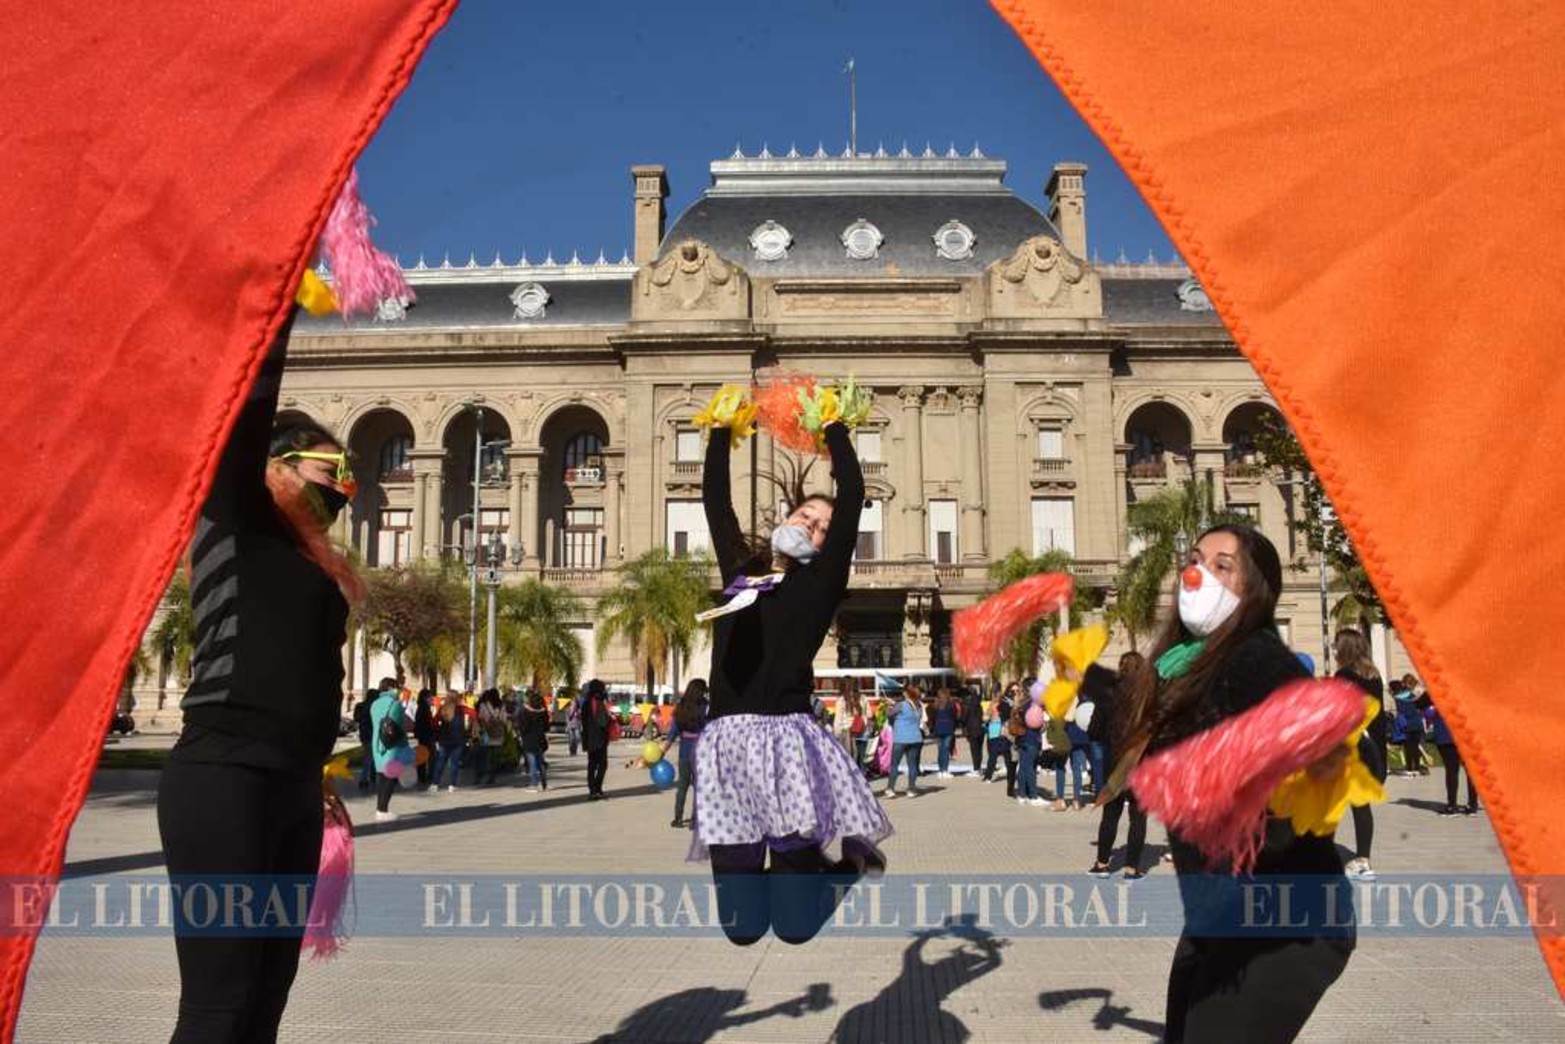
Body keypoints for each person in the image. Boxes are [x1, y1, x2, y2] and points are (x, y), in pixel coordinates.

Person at [155, 310, 365, 1042]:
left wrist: (320, 782)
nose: (346, 487)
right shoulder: (233, 516)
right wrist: (275, 312)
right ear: (277, 462)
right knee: (219, 1004)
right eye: (332, 469)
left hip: (291, 789)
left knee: (264, 1004)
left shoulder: (312, 563)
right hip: (222, 776)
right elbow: (247, 407)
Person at [1116, 525, 1354, 1042]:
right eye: (1196, 559)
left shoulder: (1256, 657)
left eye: (1223, 565)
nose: (1197, 573)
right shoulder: (1186, 667)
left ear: (1255, 591)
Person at [691, 405, 891, 948]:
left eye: (823, 527)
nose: (814, 525)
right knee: (743, 929)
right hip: (728, 751)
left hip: (786, 750)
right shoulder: (741, 569)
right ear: (786, 516)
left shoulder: (821, 583)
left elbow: (850, 496)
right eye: (806, 515)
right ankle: (777, 883)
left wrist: (834, 429)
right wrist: (719, 433)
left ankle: (848, 864)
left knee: (797, 928)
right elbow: (716, 503)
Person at [1089, 652, 1149, 880]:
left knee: (1110, 815)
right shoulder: (1149, 697)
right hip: (1141, 763)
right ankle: (1132, 868)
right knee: (1138, 817)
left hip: (1114, 763)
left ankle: (1102, 864)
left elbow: (1094, 730)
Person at [1333, 629, 1386, 880]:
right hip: (1372, 750)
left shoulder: (1343, 676)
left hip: (1349, 749)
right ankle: (1364, 859)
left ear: (1344, 649)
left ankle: (1317, 858)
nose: (1334, 650)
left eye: (1336, 646)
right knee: (1361, 806)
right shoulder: (1374, 676)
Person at [662, 678, 708, 827]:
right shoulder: (706, 707)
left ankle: (678, 818)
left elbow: (672, 734)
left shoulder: (680, 708)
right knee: (698, 787)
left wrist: (662, 752)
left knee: (682, 786)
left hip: (684, 752)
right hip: (701, 752)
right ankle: (695, 820)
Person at [368, 678, 411, 821]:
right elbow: (400, 728)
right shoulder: (395, 704)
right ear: (391, 688)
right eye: (398, 687)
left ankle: (380, 809)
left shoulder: (374, 704)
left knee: (381, 777)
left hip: (377, 744)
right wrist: (406, 746)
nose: (399, 690)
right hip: (392, 745)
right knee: (390, 778)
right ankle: (383, 810)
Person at [1429, 702, 1479, 815]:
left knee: (1451, 771)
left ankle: (1452, 806)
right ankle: (1472, 805)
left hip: (1446, 735)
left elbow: (1428, 712)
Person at [886, 686, 925, 798]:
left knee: (894, 764)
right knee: (912, 765)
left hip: (901, 739)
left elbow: (889, 714)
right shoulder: (918, 706)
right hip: (915, 738)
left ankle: (890, 788)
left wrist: (889, 706)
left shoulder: (902, 705)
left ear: (907, 694)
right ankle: (911, 789)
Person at [981, 685, 1018, 796]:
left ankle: (988, 776)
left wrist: (987, 718)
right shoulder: (1007, 705)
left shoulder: (992, 705)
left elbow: (985, 717)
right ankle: (1010, 775)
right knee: (1007, 755)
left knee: (993, 755)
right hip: (1005, 732)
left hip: (994, 731)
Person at [581, 678, 613, 800]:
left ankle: (592, 790)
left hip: (589, 738)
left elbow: (584, 720)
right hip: (599, 739)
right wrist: (610, 718)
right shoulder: (599, 703)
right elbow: (603, 722)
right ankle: (597, 789)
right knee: (602, 764)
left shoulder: (586, 703)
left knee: (592, 765)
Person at [432, 695, 468, 792]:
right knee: (454, 763)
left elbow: (434, 722)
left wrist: (439, 731)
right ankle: (452, 785)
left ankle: (435, 784)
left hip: (444, 740)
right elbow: (474, 714)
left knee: (440, 762)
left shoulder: (442, 709)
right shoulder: (461, 709)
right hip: (458, 740)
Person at [1015, 686, 1044, 807]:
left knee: (1023, 766)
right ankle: (1033, 795)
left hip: (1021, 738)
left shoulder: (1021, 704)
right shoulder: (1033, 705)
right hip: (1031, 739)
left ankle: (1022, 794)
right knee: (1030, 767)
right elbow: (1037, 723)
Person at [518, 690, 551, 792]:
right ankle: (543, 783)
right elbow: (547, 727)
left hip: (529, 739)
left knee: (532, 762)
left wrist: (521, 735)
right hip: (540, 738)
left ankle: (534, 784)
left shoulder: (525, 711)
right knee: (540, 761)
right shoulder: (543, 711)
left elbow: (523, 727)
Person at [1395, 678, 1428, 776]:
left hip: (1407, 724)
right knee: (1415, 746)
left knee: (1408, 747)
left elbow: (1401, 710)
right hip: (1417, 723)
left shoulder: (1399, 697)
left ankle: (1409, 768)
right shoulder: (1413, 695)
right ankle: (1417, 768)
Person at [930, 688, 958, 778]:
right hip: (948, 729)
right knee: (945, 750)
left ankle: (940, 770)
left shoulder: (935, 705)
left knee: (940, 750)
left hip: (938, 729)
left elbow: (932, 717)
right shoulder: (951, 705)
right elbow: (954, 716)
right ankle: (945, 770)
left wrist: (933, 727)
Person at [353, 687, 377, 791]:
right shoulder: (373, 707)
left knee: (369, 757)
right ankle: (364, 780)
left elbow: (356, 719)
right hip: (371, 735)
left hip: (364, 734)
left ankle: (370, 777)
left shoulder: (360, 705)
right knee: (369, 758)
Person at [413, 689, 436, 790]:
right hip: (426, 735)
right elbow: (427, 723)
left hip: (423, 735)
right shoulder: (424, 708)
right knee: (430, 756)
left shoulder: (422, 707)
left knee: (423, 755)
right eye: (430, 697)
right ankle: (428, 775)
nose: (432, 699)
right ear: (425, 698)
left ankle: (422, 776)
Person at [961, 686, 986, 777]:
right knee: (979, 750)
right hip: (980, 729)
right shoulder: (979, 704)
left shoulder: (968, 704)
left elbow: (964, 718)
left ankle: (976, 768)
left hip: (972, 729)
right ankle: (978, 768)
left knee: (974, 750)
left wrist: (963, 725)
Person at [566, 689, 583, 756]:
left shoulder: (579, 710)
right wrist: (573, 711)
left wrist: (578, 713)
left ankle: (574, 750)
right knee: (571, 739)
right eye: (573, 702)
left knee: (577, 738)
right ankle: (571, 751)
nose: (574, 704)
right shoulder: (568, 709)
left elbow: (581, 718)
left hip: (577, 725)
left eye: (575, 702)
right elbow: (568, 717)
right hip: (570, 725)